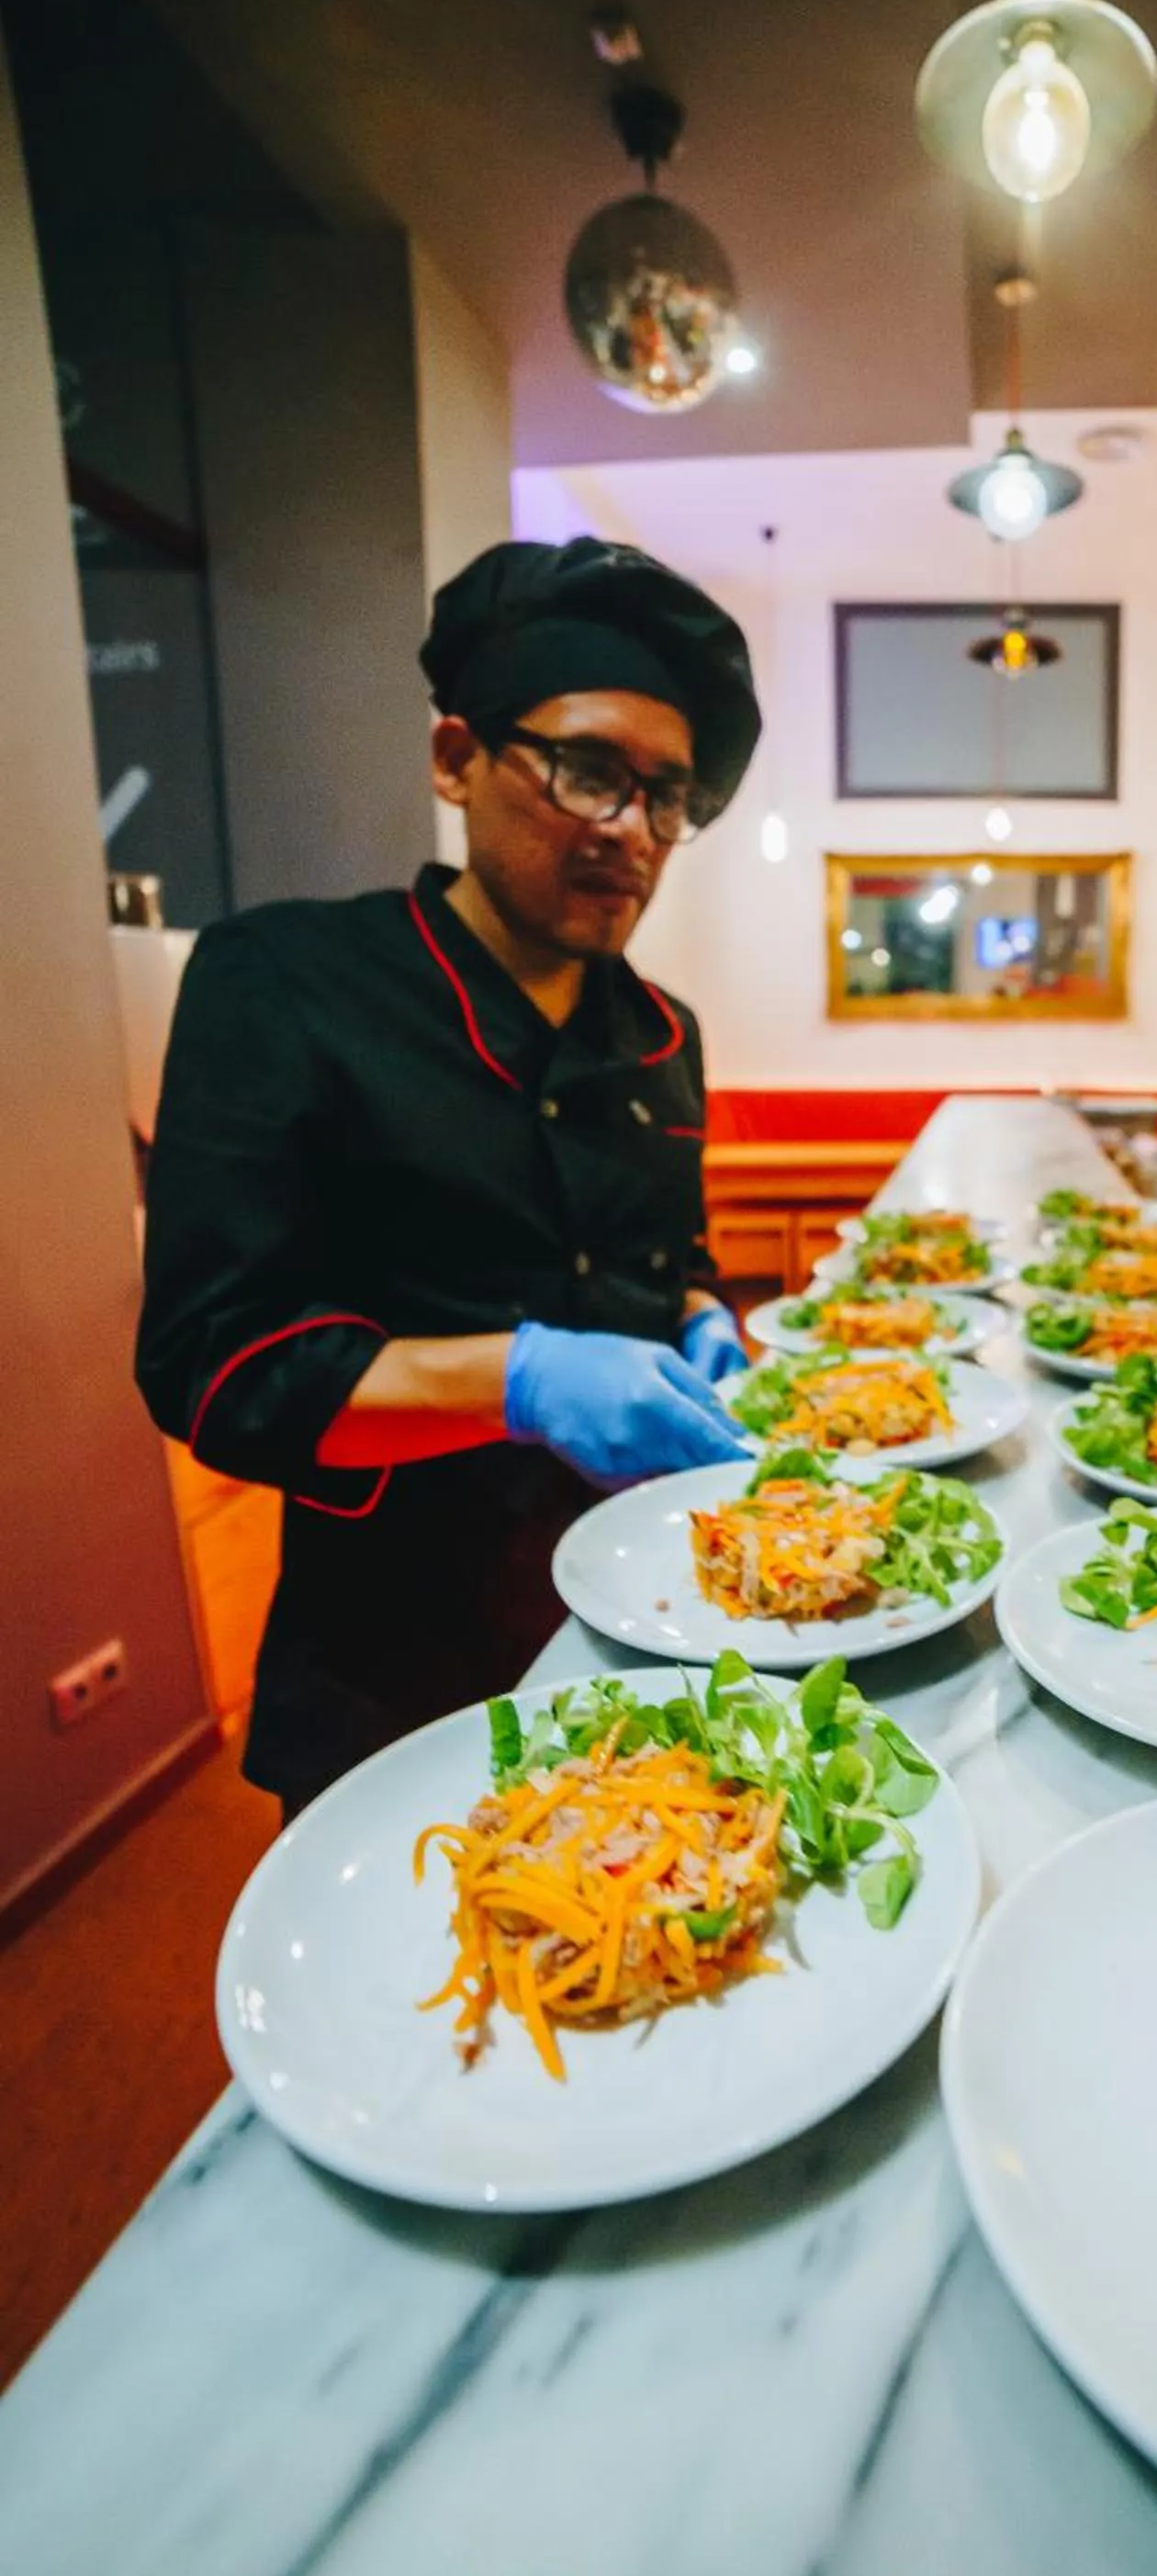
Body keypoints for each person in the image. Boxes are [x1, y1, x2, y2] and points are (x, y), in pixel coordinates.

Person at [138, 536, 762, 1815]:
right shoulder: (284, 985)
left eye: (668, 798)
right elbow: (211, 1368)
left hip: (646, 1631)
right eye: (590, 772)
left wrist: (699, 1312)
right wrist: (519, 1381)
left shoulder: (664, 1034)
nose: (631, 831)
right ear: (457, 757)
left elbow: (662, 1250)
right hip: (394, 1662)